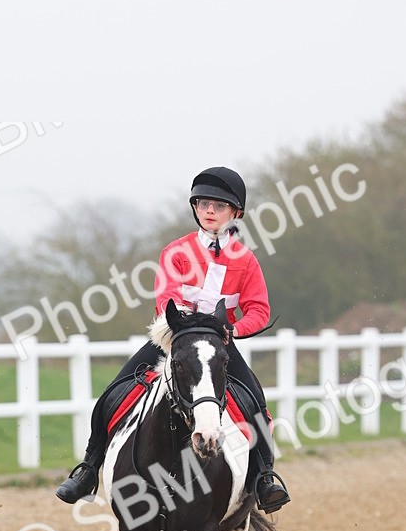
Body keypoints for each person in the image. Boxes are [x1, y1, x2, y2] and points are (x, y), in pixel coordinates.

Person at [55, 166, 291, 513]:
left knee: (255, 403)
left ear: (235, 212)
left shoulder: (247, 261)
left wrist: (233, 331)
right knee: (113, 394)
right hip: (172, 340)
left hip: (220, 344)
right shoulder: (176, 252)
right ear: (195, 207)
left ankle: (264, 477)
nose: (210, 211)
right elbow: (166, 298)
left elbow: (258, 309)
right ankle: (89, 468)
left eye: (219, 206)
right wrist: (186, 326)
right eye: (204, 203)